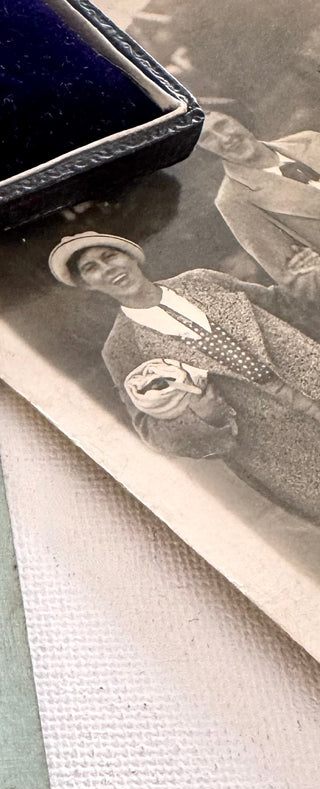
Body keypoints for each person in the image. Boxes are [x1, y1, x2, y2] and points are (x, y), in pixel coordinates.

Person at [48, 231, 320, 520]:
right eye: (91, 269)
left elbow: (285, 307)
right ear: (86, 285)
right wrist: (203, 416)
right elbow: (152, 432)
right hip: (281, 445)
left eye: (109, 256)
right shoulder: (121, 347)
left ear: (130, 256)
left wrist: (307, 276)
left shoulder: (202, 281)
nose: (107, 269)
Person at [199, 111, 320, 307]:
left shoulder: (309, 140)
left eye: (222, 125)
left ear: (239, 119)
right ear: (205, 152)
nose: (224, 138)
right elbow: (297, 281)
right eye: (207, 138)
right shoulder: (233, 200)